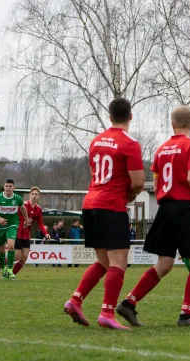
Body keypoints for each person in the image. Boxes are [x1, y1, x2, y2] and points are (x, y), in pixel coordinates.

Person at [116, 106, 190, 327]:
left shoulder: (161, 150)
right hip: (185, 208)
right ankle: (186, 315)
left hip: (166, 208)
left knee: (164, 264)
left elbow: (157, 184)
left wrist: (166, 203)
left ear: (172, 124)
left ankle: (129, 303)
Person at [63, 97, 145, 330]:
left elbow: (93, 171)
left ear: (109, 117)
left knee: (102, 261)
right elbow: (139, 181)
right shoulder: (130, 143)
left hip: (90, 203)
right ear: (130, 116)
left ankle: (75, 300)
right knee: (119, 262)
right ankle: (107, 313)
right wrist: (129, 194)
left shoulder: (96, 141)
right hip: (111, 205)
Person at [0, 179, 29, 279]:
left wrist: (26, 219)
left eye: (10, 186)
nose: (8, 188)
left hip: (12, 224)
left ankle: (10, 271)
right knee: (2, 249)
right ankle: (3, 269)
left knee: (11, 245)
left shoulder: (17, 198)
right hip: (0, 226)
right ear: (4, 187)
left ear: (13, 188)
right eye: (6, 186)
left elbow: (22, 208)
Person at [13, 186, 50, 276]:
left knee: (24, 257)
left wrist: (46, 233)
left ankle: (12, 274)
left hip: (26, 235)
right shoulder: (23, 205)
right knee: (16, 256)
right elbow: (14, 217)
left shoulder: (39, 209)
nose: (34, 196)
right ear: (29, 195)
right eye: (32, 194)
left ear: (38, 197)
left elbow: (40, 224)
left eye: (36, 194)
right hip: (17, 233)